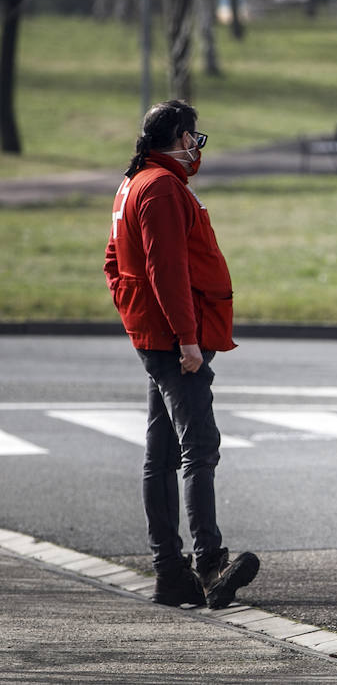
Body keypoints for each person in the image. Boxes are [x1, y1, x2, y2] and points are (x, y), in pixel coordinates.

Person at [104, 100, 259, 609]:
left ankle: (170, 573)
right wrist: (186, 337)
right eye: (193, 136)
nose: (197, 145)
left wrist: (138, 316)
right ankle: (209, 564)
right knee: (199, 447)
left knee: (161, 454)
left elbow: (114, 264)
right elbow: (165, 270)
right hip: (173, 339)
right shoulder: (163, 188)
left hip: (155, 333)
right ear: (175, 136)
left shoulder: (136, 183)